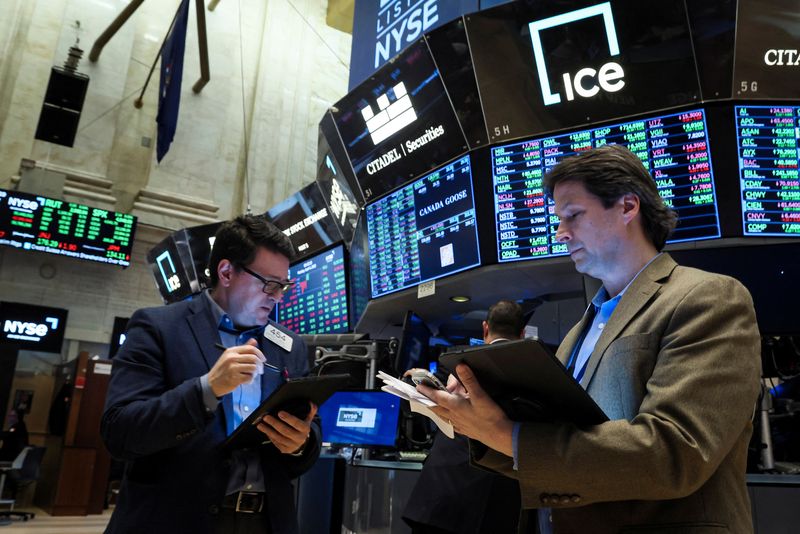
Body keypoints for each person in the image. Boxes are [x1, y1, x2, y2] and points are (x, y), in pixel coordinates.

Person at [421, 144, 762, 534]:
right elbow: (556, 444)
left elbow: (677, 451)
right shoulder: (575, 336)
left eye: (573, 215)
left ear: (627, 207)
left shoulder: (708, 297)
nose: (561, 233)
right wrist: (475, 418)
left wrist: (507, 436)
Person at [101, 214, 320, 534]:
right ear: (227, 272)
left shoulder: (290, 346)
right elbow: (120, 432)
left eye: (283, 285)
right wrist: (207, 389)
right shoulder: (157, 328)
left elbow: (310, 436)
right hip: (174, 521)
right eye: (270, 284)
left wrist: (301, 443)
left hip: (266, 523)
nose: (277, 296)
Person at [402, 300, 526, 534]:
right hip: (496, 506)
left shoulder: (456, 361)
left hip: (441, 495)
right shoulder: (533, 371)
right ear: (522, 333)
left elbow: (418, 390)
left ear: (485, 328)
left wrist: (414, 377)